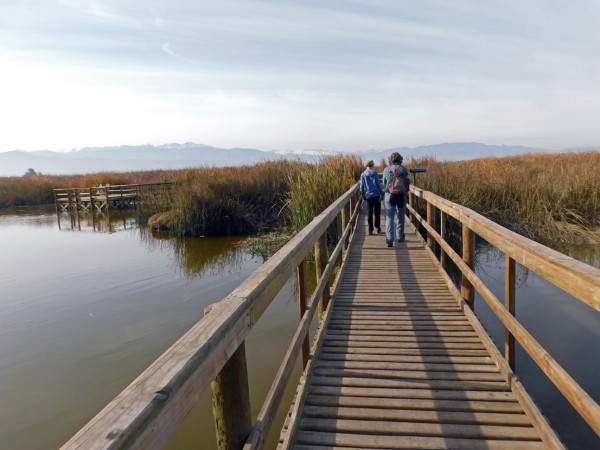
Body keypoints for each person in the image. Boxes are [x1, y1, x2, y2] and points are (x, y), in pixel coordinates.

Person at [382, 152, 410, 247]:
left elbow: (385, 182)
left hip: (389, 195)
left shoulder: (386, 169)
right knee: (401, 215)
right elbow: (407, 182)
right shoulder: (404, 169)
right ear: (401, 160)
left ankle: (389, 239)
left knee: (390, 217)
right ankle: (400, 237)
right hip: (402, 195)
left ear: (391, 160)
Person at [359, 160, 384, 235]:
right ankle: (377, 227)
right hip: (376, 195)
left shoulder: (363, 174)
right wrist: (381, 193)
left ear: (366, 166)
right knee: (377, 212)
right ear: (372, 165)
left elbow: (361, 187)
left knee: (369, 212)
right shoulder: (375, 173)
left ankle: (370, 229)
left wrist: (363, 196)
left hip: (368, 196)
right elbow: (378, 184)